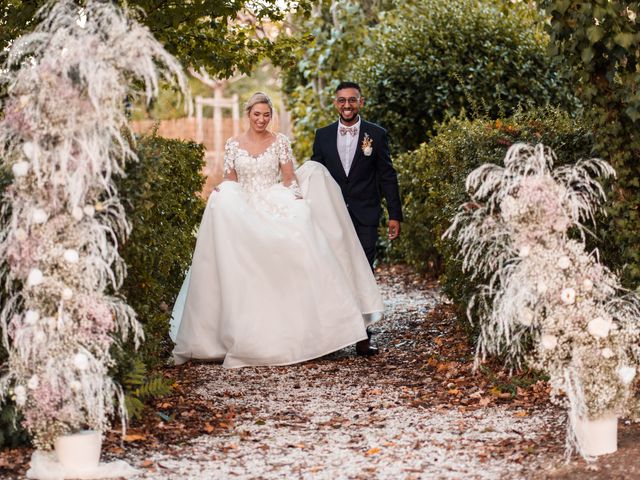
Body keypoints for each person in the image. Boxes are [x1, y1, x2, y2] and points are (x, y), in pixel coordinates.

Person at [170, 92, 384, 368]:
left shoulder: (279, 142)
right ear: (248, 115)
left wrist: (294, 197)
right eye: (257, 114)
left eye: (266, 115)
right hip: (243, 202)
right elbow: (231, 178)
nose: (261, 119)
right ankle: (240, 329)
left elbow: (288, 176)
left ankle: (306, 329)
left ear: (271, 116)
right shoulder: (234, 144)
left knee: (298, 233)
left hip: (274, 198)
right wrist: (224, 190)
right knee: (224, 205)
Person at [311, 81, 403, 355]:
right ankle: (333, 337)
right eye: (342, 100)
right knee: (332, 271)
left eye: (352, 100)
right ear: (335, 103)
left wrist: (394, 215)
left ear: (360, 102)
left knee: (363, 270)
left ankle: (363, 337)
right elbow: (316, 174)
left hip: (366, 214)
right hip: (332, 216)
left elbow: (388, 175)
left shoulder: (376, 134)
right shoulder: (323, 136)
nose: (347, 105)